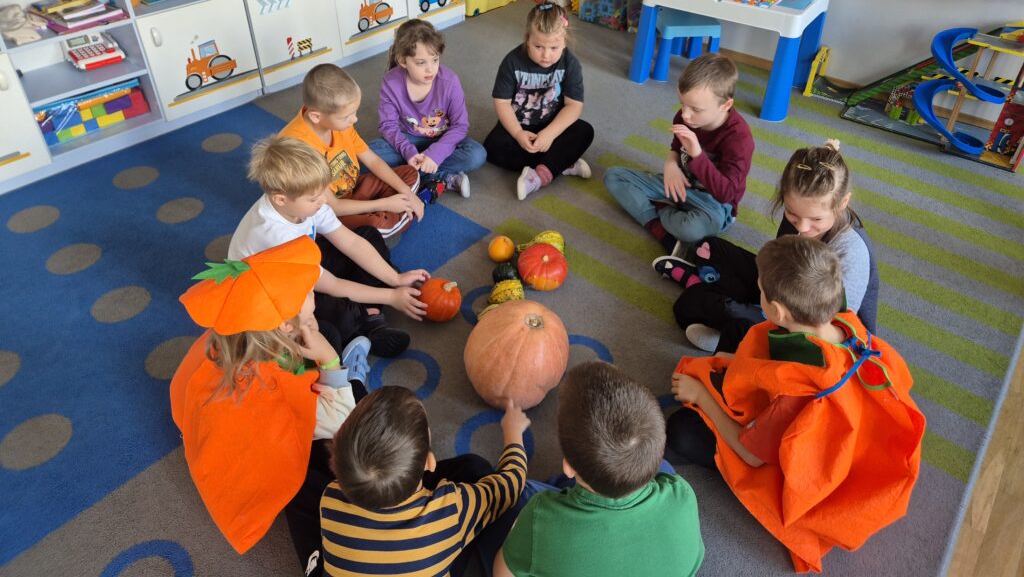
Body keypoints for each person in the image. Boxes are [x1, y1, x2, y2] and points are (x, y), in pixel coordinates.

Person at [668, 236, 925, 573]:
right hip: (812, 409)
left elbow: (752, 456)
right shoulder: (845, 322)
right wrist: (738, 364)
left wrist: (701, 396)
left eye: (760, 290)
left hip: (790, 454)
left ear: (777, 311)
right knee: (740, 331)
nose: (758, 294)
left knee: (681, 432)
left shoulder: (795, 394)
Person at [170, 237, 369, 576]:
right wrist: (331, 363)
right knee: (356, 416)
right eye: (308, 299)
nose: (314, 298)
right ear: (285, 325)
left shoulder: (227, 335)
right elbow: (341, 424)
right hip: (265, 467)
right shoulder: (277, 384)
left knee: (328, 333)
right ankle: (354, 376)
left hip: (211, 432)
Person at [657, 140, 878, 353]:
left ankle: (730, 317)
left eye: (816, 219)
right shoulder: (801, 212)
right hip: (782, 288)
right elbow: (776, 261)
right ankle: (725, 302)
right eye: (792, 213)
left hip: (803, 324)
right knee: (711, 246)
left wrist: (769, 310)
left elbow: (828, 331)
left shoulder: (851, 253)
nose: (802, 227)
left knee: (689, 306)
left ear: (842, 203)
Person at [491, 362, 705, 577]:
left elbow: (502, 572)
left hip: (556, 531)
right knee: (666, 470)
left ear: (568, 467)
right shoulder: (682, 493)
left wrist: (513, 435)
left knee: (516, 495)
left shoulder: (540, 518)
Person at [229, 135, 429, 358]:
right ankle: (364, 322)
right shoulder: (275, 236)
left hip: (303, 263)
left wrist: (395, 279)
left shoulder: (307, 203)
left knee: (368, 235)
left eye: (324, 192)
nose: (324, 201)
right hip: (274, 296)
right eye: (315, 198)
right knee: (341, 318)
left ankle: (370, 312)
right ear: (281, 199)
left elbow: (350, 242)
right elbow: (331, 284)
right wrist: (390, 296)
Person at [320, 387, 529, 577]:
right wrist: (513, 434)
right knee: (475, 467)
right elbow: (509, 487)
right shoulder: (450, 510)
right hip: (435, 543)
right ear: (430, 462)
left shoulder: (330, 499)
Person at [604, 52, 753, 253]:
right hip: (678, 184)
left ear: (725, 105)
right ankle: (661, 228)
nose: (685, 115)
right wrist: (670, 164)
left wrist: (697, 155)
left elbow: (726, 194)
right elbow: (676, 146)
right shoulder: (685, 117)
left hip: (713, 204)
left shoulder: (739, 139)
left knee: (692, 230)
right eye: (682, 103)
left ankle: (659, 209)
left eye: (696, 109)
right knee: (613, 177)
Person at [280, 62, 424, 239]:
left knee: (409, 174)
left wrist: (407, 193)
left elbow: (372, 160)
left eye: (354, 112)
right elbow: (333, 206)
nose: (354, 120)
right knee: (376, 226)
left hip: (354, 189)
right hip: (331, 211)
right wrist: (384, 203)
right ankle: (384, 219)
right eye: (347, 116)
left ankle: (388, 216)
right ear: (316, 116)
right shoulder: (297, 148)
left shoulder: (340, 123)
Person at [484, 1, 594, 201]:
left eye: (554, 47)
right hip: (520, 124)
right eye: (538, 46)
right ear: (527, 39)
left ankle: (541, 174)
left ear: (565, 42)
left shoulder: (570, 63)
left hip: (552, 125)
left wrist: (550, 134)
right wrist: (518, 133)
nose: (546, 55)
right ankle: (560, 162)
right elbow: (502, 103)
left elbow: (574, 105)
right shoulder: (512, 61)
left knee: (585, 131)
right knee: (492, 148)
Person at [368, 18, 486, 199]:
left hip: (443, 137)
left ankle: (407, 177)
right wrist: (409, 152)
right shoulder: (391, 81)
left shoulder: (449, 81)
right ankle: (441, 176)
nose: (430, 69)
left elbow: (460, 126)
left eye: (435, 60)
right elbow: (388, 125)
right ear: (403, 61)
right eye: (421, 63)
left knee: (476, 155)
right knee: (366, 155)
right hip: (408, 138)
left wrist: (435, 154)